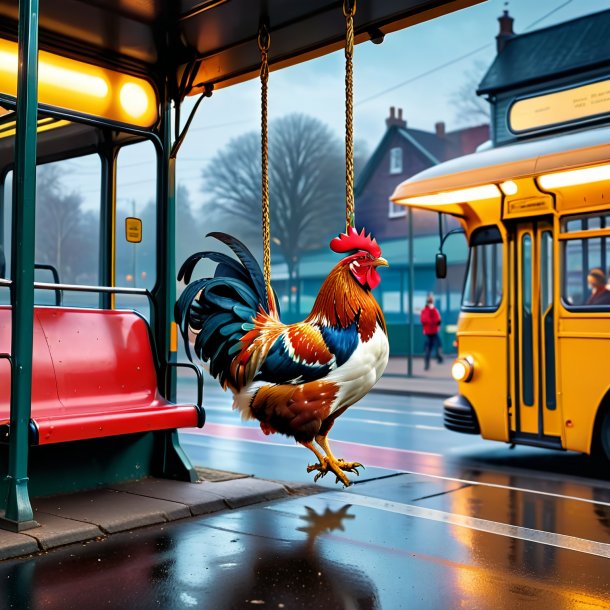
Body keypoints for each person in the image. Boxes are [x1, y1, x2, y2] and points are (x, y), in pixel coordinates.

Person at [420, 294, 443, 370]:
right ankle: (433, 359)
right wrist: (434, 322)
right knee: (432, 346)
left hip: (432, 331)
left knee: (437, 344)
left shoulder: (429, 310)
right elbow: (426, 320)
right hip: (430, 331)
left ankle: (438, 357)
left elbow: (437, 320)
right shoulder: (427, 310)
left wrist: (435, 322)